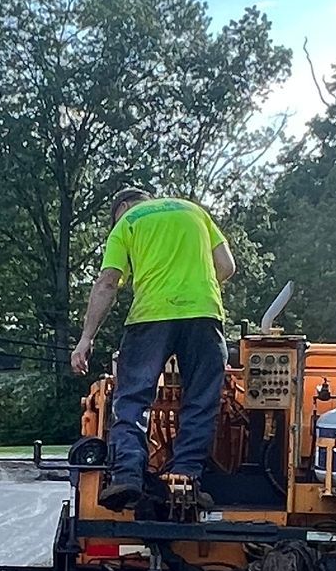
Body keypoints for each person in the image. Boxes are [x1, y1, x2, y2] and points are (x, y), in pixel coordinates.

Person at [70, 187, 236, 510]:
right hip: (203, 314)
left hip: (151, 317)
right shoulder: (194, 211)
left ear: (123, 207)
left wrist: (86, 338)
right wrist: (193, 287)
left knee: (132, 398)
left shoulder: (128, 222)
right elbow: (227, 266)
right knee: (201, 402)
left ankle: (128, 476)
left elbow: (107, 283)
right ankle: (186, 478)